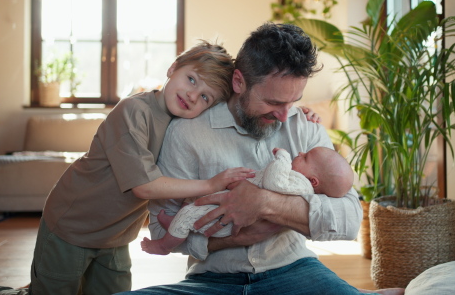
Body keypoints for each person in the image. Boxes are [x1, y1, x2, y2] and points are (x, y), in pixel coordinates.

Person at [117, 23, 404, 295]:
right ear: (239, 81)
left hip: (296, 270)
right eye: (274, 102)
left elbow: (349, 219)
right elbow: (159, 228)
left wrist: (266, 204)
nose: (284, 115)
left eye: (293, 101)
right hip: (212, 281)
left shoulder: (303, 124)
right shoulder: (185, 133)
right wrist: (236, 238)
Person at [0, 41, 258, 295]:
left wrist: (297, 115)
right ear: (173, 68)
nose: (193, 95)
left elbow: (236, 115)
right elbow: (143, 185)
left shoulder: (185, 124)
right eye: (192, 79)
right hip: (72, 224)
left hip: (116, 235)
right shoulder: (134, 111)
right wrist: (209, 185)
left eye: (205, 96)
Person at [141, 146, 354, 255]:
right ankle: (179, 228)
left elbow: (273, 183)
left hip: (231, 219)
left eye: (305, 157)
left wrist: (283, 157)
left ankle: (164, 245)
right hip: (227, 206)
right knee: (194, 203)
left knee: (192, 214)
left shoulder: (301, 184)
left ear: (313, 181)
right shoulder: (300, 178)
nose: (300, 152)